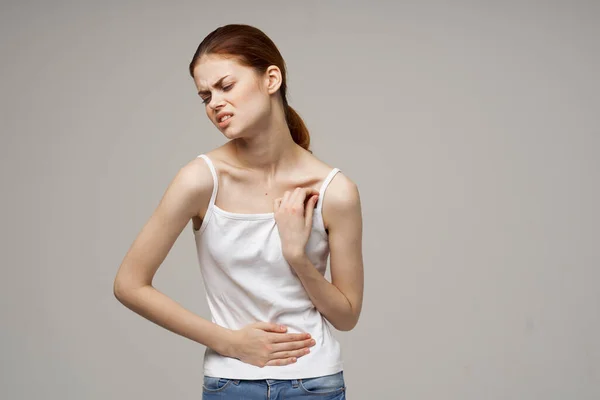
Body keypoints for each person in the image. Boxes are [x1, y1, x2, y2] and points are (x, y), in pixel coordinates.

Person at [113, 24, 364, 399]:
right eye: (204, 96)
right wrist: (229, 342)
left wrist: (297, 257)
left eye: (225, 86)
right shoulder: (200, 180)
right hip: (231, 384)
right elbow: (129, 284)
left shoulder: (335, 191)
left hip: (316, 383)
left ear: (271, 79)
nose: (214, 103)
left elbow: (346, 316)